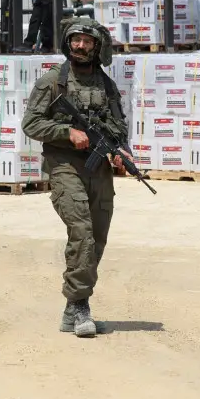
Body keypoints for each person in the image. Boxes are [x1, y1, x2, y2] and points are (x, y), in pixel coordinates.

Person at [21, 17, 126, 338]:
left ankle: (73, 307)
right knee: (81, 230)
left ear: (97, 46)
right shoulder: (53, 82)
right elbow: (31, 124)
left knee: (97, 236)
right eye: (75, 40)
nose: (80, 46)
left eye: (87, 41)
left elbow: (118, 127)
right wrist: (67, 132)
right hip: (64, 163)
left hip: (98, 167)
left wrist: (120, 152)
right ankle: (81, 306)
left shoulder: (106, 85)